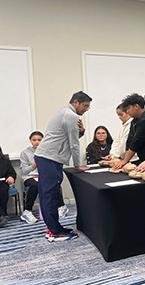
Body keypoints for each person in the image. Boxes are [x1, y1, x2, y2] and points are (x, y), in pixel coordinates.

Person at [35, 91, 92, 241]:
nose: (86, 109)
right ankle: (54, 232)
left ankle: (55, 228)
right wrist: (78, 165)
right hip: (49, 158)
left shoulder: (64, 111)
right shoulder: (71, 115)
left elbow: (67, 137)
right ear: (76, 103)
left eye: (88, 107)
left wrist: (82, 131)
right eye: (85, 106)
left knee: (49, 194)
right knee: (51, 195)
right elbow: (74, 144)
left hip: (47, 157)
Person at [113, 93, 145, 170]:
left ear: (136, 106)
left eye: (128, 108)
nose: (127, 111)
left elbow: (137, 142)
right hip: (142, 157)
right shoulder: (135, 120)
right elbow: (130, 140)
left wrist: (125, 160)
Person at [0, 146, 16, 227]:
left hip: (2, 183)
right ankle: (2, 215)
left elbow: (12, 173)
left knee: (2, 191)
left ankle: (2, 215)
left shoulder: (5, 161)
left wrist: (10, 177)